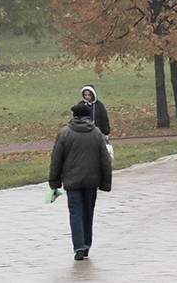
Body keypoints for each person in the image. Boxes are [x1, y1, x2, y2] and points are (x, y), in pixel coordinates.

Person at [49, 102, 112, 261]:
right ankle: (87, 245)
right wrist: (106, 182)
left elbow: (56, 159)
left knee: (75, 213)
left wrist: (54, 182)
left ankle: (78, 247)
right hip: (91, 181)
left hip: (72, 181)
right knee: (88, 213)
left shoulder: (64, 133)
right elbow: (105, 160)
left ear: (74, 116)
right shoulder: (96, 133)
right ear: (88, 117)